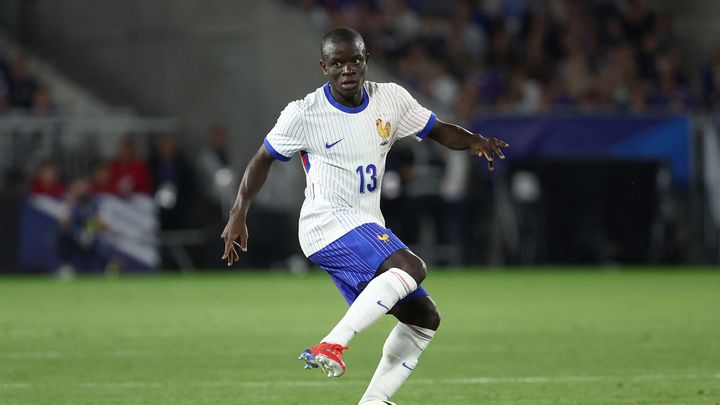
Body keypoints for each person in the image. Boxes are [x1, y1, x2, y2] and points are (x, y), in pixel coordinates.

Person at [220, 27, 508, 404]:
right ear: (324, 67)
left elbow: (438, 131)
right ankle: (331, 345)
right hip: (325, 223)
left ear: (366, 61)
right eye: (336, 63)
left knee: (424, 317)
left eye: (354, 60)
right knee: (411, 267)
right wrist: (239, 211)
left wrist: (473, 140)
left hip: (365, 226)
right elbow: (262, 160)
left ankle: (374, 401)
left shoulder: (390, 99)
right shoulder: (304, 113)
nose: (347, 69)